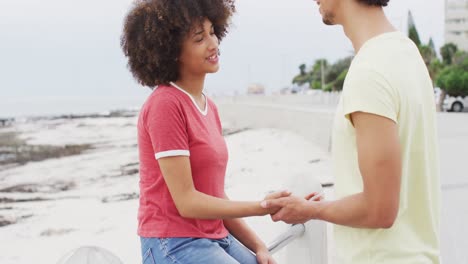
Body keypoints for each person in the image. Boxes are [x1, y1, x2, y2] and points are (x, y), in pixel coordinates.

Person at [261, 0, 441, 263]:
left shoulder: (370, 71)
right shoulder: (407, 53)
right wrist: (330, 203)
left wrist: (310, 210)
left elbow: (380, 210)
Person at [121, 0, 282, 263]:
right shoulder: (165, 104)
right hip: (173, 242)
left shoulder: (209, 107)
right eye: (199, 38)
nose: (213, 43)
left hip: (215, 235)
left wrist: (258, 246)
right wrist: (261, 207)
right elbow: (187, 202)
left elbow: (215, 196)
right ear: (171, 51)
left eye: (212, 32)